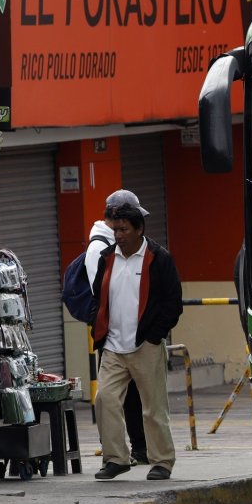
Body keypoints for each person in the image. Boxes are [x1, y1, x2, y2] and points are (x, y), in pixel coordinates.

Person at [89, 192, 183, 481]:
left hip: (146, 345)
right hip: (114, 348)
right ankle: (116, 458)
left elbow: (172, 303)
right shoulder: (107, 258)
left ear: (139, 229)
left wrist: (154, 336)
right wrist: (100, 329)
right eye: (115, 230)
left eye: (124, 230)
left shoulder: (159, 258)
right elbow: (97, 298)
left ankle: (162, 461)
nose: (118, 235)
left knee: (153, 408)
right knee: (105, 399)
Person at [85, 191, 147, 466]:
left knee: (136, 398)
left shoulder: (129, 245)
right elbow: (102, 295)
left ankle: (141, 449)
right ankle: (117, 453)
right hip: (113, 338)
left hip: (135, 337)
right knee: (111, 399)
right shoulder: (100, 248)